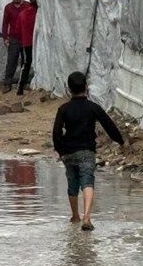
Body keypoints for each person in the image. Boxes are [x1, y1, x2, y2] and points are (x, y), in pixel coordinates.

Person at [52, 72, 125, 231]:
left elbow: (56, 133)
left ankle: (75, 216)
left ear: (68, 88)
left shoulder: (63, 109)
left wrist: (60, 151)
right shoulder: (93, 107)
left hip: (69, 152)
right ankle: (87, 217)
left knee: (72, 183)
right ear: (86, 87)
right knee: (87, 182)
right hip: (87, 151)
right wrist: (120, 140)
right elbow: (109, 125)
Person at [1, 0, 25, 93]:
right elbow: (5, 23)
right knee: (11, 62)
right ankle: (7, 84)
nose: (16, 0)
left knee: (26, 62)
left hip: (25, 38)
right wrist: (5, 38)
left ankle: (23, 84)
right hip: (14, 39)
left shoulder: (27, 6)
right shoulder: (8, 8)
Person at [14, 0, 38, 96]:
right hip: (38, 43)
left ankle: (20, 88)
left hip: (26, 43)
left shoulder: (22, 14)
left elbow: (17, 31)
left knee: (26, 64)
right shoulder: (39, 14)